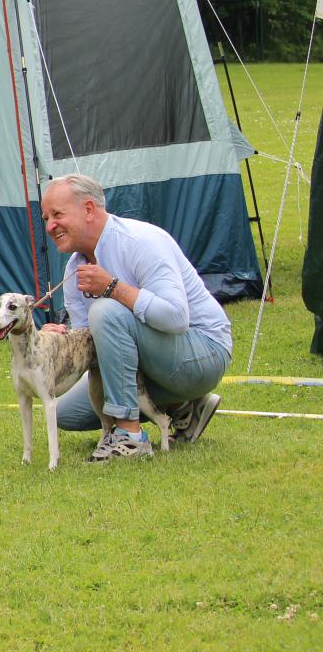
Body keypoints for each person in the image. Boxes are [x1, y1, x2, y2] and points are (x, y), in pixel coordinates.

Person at [39, 173, 230, 461]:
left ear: (88, 209)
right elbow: (91, 344)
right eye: (46, 218)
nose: (50, 226)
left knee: (105, 310)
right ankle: (184, 407)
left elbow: (177, 317)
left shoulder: (141, 241)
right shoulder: (74, 270)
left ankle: (130, 436)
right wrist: (60, 340)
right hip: (158, 362)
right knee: (65, 413)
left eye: (57, 215)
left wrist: (113, 288)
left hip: (204, 352)